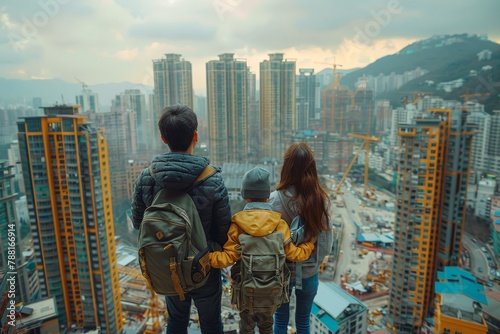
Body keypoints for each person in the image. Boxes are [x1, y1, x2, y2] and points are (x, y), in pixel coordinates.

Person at [131, 104, 232, 334]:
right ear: (195, 136)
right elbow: (224, 232)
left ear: (163, 138)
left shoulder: (148, 178)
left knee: (176, 323)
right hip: (204, 269)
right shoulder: (212, 180)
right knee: (211, 325)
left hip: (168, 265)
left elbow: (139, 223)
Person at [209, 167, 316, 334]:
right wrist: (310, 243)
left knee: (246, 329)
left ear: (245, 194)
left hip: (246, 293)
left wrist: (205, 258)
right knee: (267, 327)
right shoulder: (279, 225)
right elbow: (295, 255)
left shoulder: (237, 225)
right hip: (271, 294)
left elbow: (227, 258)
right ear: (267, 196)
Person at [268, 142, 333, 334]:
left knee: (279, 320)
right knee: (303, 321)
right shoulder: (321, 201)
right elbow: (326, 247)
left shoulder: (274, 200)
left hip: (281, 273)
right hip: (309, 272)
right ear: (312, 168)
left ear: (286, 168)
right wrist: (312, 263)